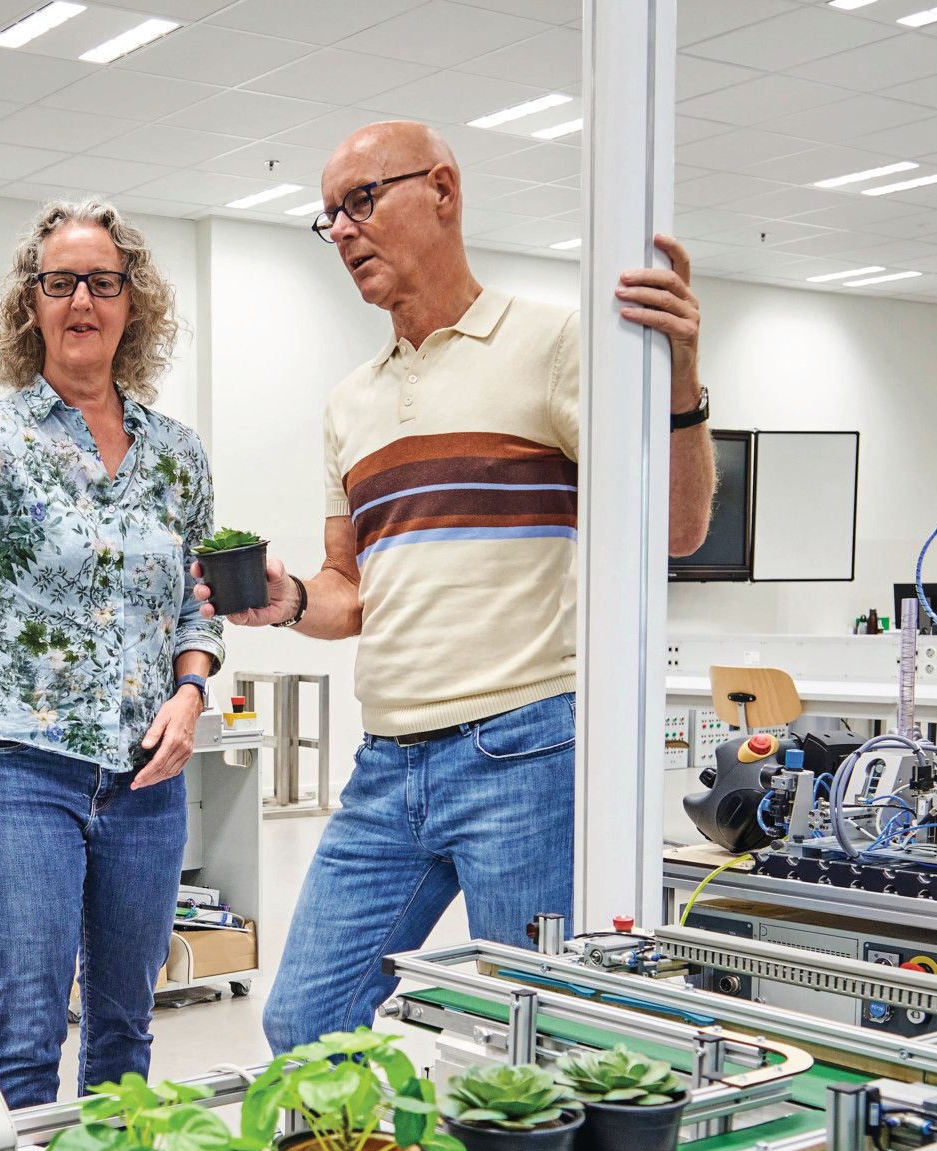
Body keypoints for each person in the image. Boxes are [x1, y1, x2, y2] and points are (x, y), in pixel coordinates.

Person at [200, 122, 715, 1054]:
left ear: (443, 189)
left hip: (524, 752)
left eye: (361, 201)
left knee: (538, 1037)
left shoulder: (554, 346)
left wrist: (681, 382)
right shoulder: (350, 404)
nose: (345, 231)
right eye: (330, 218)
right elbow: (351, 590)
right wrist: (284, 600)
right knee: (304, 1017)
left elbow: (676, 532)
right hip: (388, 763)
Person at [0, 200, 219, 1110]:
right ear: (31, 304)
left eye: (103, 282)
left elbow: (199, 601)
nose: (82, 301)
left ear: (130, 303)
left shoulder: (179, 456)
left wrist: (190, 696)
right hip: (23, 767)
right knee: (27, 1023)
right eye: (59, 282)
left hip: (147, 775)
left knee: (125, 1023)